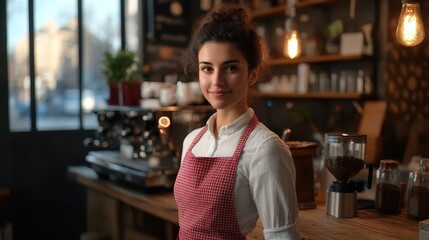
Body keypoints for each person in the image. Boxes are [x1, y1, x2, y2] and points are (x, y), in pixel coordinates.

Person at [173, 3, 301, 240]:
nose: (217, 81)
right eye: (207, 69)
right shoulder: (191, 141)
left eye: (230, 67)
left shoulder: (265, 148)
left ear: (252, 74)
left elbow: (282, 236)